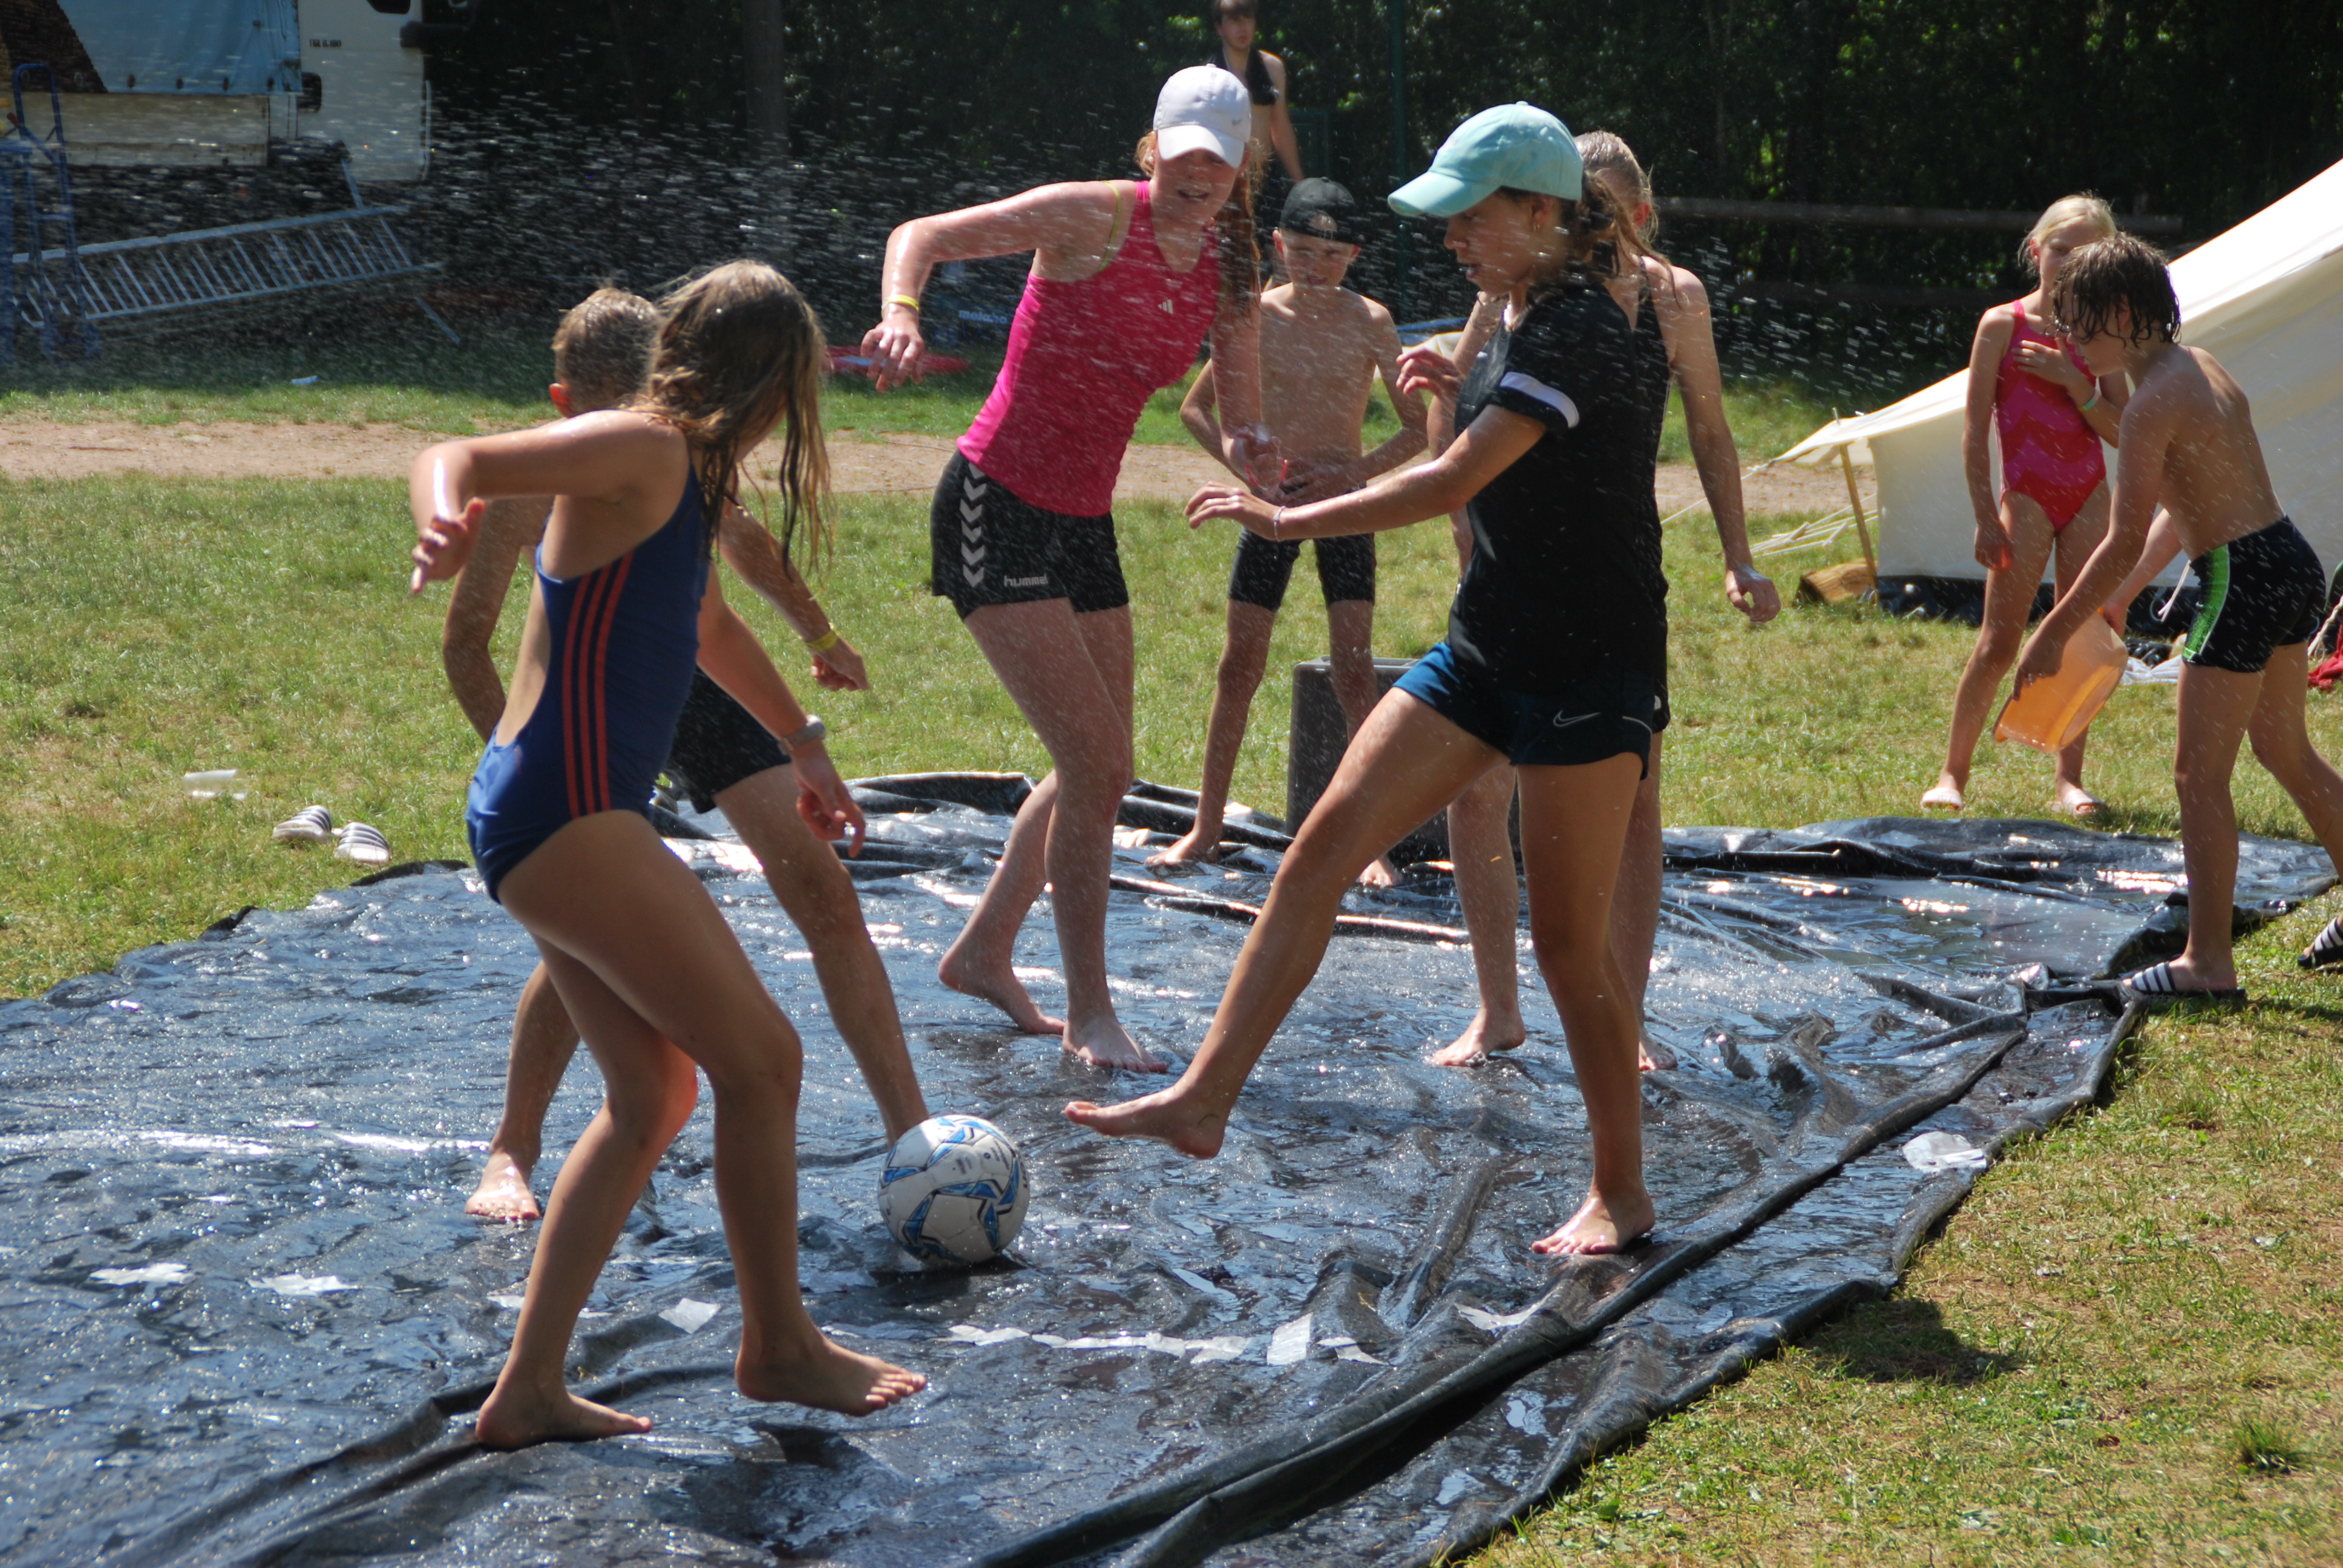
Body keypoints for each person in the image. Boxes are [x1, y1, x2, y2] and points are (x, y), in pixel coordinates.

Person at [1069, 103, 1664, 1257]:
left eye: (1470, 217)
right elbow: (1487, 459)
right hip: (1487, 646)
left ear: (1539, 211)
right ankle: (1202, 1099)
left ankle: (1621, 1190)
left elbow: (1449, 483)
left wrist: (1285, 516)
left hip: (1589, 666)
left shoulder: (1581, 327)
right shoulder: (1519, 310)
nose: (1450, 239)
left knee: (1566, 948)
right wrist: (1451, 378)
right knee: (1320, 848)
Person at [408, 261, 924, 1445]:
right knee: (763, 1063)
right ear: (767, 386)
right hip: (570, 811)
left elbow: (706, 625)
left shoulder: (681, 478)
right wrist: (441, 513)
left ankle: (528, 1389)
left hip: (544, 810)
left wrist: (804, 746)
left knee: (652, 1095)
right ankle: (779, 1346)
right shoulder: (642, 448)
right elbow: (460, 455)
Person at [859, 66, 1278, 1073]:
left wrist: (1257, 455)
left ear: (1241, 172)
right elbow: (921, 234)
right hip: (994, 502)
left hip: (1083, 523)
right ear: (1152, 148)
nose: (1197, 179)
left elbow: (1241, 418)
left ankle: (983, 952)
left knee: (1104, 764)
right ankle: (1092, 1010)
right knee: (1095, 765)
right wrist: (903, 314)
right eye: (1182, 158)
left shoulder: (1231, 266)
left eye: (1217, 167)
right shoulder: (1089, 216)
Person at [1429, 129, 1780, 1071]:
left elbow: (1711, 430)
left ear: (1639, 214)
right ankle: (1496, 1008)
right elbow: (1458, 408)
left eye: (1608, 211)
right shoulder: (1513, 285)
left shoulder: (1673, 296)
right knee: (1477, 789)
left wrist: (1739, 556)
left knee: (1634, 798)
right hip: (1507, 570)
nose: (1590, 225)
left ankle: (1626, 1016)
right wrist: (1462, 531)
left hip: (1615, 576)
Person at [2013, 234, 2343, 1003]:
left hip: (2238, 576)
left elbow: (2123, 536)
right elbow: (2181, 498)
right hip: (2289, 560)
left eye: (2081, 321)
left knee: (2198, 775)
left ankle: (2207, 962)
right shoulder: (2200, 368)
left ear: (2127, 314)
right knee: (2284, 750)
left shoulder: (2148, 405)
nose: (2069, 338)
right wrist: (2113, 598)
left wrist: (2052, 631)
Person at [1150, 177, 1427, 881]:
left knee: (1353, 670)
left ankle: (1371, 844)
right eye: (1302, 251)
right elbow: (1195, 410)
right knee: (1238, 665)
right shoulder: (1254, 315)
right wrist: (1249, 476)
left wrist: (1350, 475)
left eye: (1330, 256)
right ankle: (1205, 827)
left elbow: (1418, 428)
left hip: (1342, 505)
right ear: (1277, 246)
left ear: (1353, 255)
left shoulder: (1370, 321)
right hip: (1271, 505)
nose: (1315, 266)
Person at [1926, 195, 2129, 817]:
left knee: (2080, 635)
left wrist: (2075, 383)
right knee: (1999, 640)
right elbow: (1972, 430)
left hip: (2088, 494)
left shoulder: (2101, 332)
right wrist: (1984, 515)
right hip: (2027, 494)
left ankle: (2069, 779)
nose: (2070, 262)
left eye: (2085, 253)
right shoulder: (2002, 324)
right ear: (2036, 248)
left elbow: (2122, 431)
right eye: (2060, 249)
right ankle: (1952, 772)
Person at [1207, 0, 1303, 188]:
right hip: (1227, 179)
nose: (1243, 28)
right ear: (1219, 28)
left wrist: (1299, 183)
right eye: (1234, 20)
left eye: (1248, 19)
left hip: (1267, 176)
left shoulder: (1273, 68)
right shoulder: (1209, 75)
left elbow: (1280, 127)